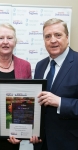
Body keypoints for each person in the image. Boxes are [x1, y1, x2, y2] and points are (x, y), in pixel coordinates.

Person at [30, 18, 78, 150]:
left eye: (58, 35)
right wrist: (32, 130)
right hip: (40, 143)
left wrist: (60, 102)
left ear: (67, 37)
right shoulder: (40, 66)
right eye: (48, 36)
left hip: (69, 143)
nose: (53, 40)